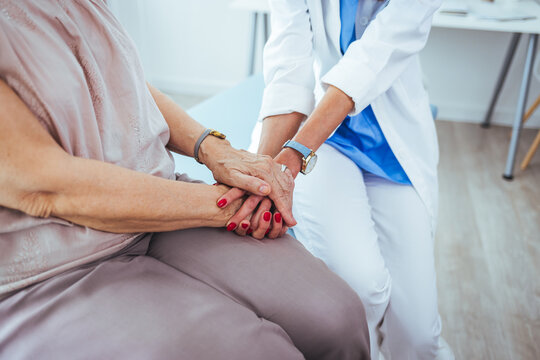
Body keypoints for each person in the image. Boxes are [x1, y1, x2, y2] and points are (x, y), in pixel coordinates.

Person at [0, 1, 371, 359]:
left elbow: (114, 77)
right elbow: (48, 187)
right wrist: (228, 205)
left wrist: (212, 149)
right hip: (52, 262)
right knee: (260, 351)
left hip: (158, 199)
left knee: (337, 316)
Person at [219, 0, 454, 359]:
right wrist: (261, 170)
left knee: (418, 336)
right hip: (324, 142)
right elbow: (289, 64)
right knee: (364, 288)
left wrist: (294, 154)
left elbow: (373, 58)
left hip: (389, 146)